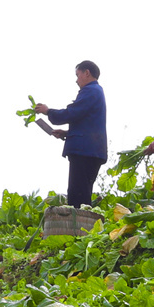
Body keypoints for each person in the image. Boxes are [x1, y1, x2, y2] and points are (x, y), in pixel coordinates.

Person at [33, 60, 107, 207]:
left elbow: (73, 113)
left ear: (87, 73)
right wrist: (67, 133)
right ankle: (84, 226)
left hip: (84, 151)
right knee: (82, 191)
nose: (76, 80)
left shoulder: (91, 91)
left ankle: (78, 228)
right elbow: (87, 122)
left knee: (77, 195)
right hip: (92, 150)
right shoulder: (96, 92)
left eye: (78, 75)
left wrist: (48, 111)